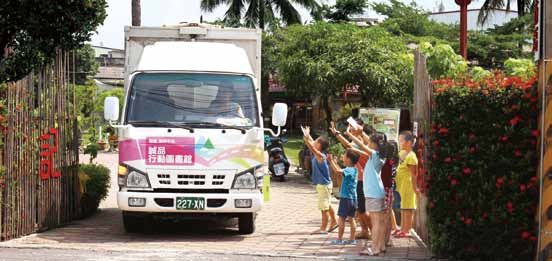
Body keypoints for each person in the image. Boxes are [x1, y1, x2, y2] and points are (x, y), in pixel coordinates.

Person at [346, 131, 392, 256]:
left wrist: (350, 135)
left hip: (373, 193)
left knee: (376, 222)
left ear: (374, 144)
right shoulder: (380, 154)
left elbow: (362, 145)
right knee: (380, 221)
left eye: (370, 142)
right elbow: (366, 146)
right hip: (378, 192)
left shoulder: (374, 154)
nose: (368, 142)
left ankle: (375, 248)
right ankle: (381, 245)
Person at [329, 120, 371, 240]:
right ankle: (364, 231)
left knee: (362, 210)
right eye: (350, 126)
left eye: (353, 126)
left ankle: (373, 232)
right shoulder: (355, 141)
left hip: (362, 179)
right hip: (356, 179)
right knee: (359, 210)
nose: (351, 128)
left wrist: (338, 134)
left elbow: (349, 146)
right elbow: (348, 145)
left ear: (360, 127)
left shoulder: (363, 142)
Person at [301, 126, 338, 234]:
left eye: (316, 141)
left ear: (319, 146)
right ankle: (334, 221)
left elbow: (311, 146)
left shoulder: (320, 155)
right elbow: (311, 144)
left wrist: (307, 137)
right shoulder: (318, 153)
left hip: (324, 185)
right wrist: (307, 136)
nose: (314, 142)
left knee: (324, 208)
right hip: (323, 185)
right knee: (327, 204)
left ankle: (323, 228)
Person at [327, 149, 360, 245]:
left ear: (349, 159)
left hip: (346, 198)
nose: (342, 157)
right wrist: (334, 162)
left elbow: (337, 171)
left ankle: (339, 239)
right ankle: (352, 239)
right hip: (353, 198)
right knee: (351, 218)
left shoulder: (348, 170)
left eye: (344, 156)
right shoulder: (354, 170)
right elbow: (340, 170)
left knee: (341, 218)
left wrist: (331, 161)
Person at [395, 131, 419, 238]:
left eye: (402, 140)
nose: (400, 142)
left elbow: (414, 174)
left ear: (409, 142)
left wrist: (415, 188)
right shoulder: (402, 153)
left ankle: (407, 230)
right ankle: (403, 228)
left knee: (408, 208)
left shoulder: (412, 156)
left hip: (409, 186)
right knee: (403, 207)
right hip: (402, 186)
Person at [381, 140, 399, 246]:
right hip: (390, 189)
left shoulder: (385, 162)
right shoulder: (393, 161)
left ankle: (384, 240)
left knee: (384, 217)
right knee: (387, 215)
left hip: (385, 189)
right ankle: (387, 240)